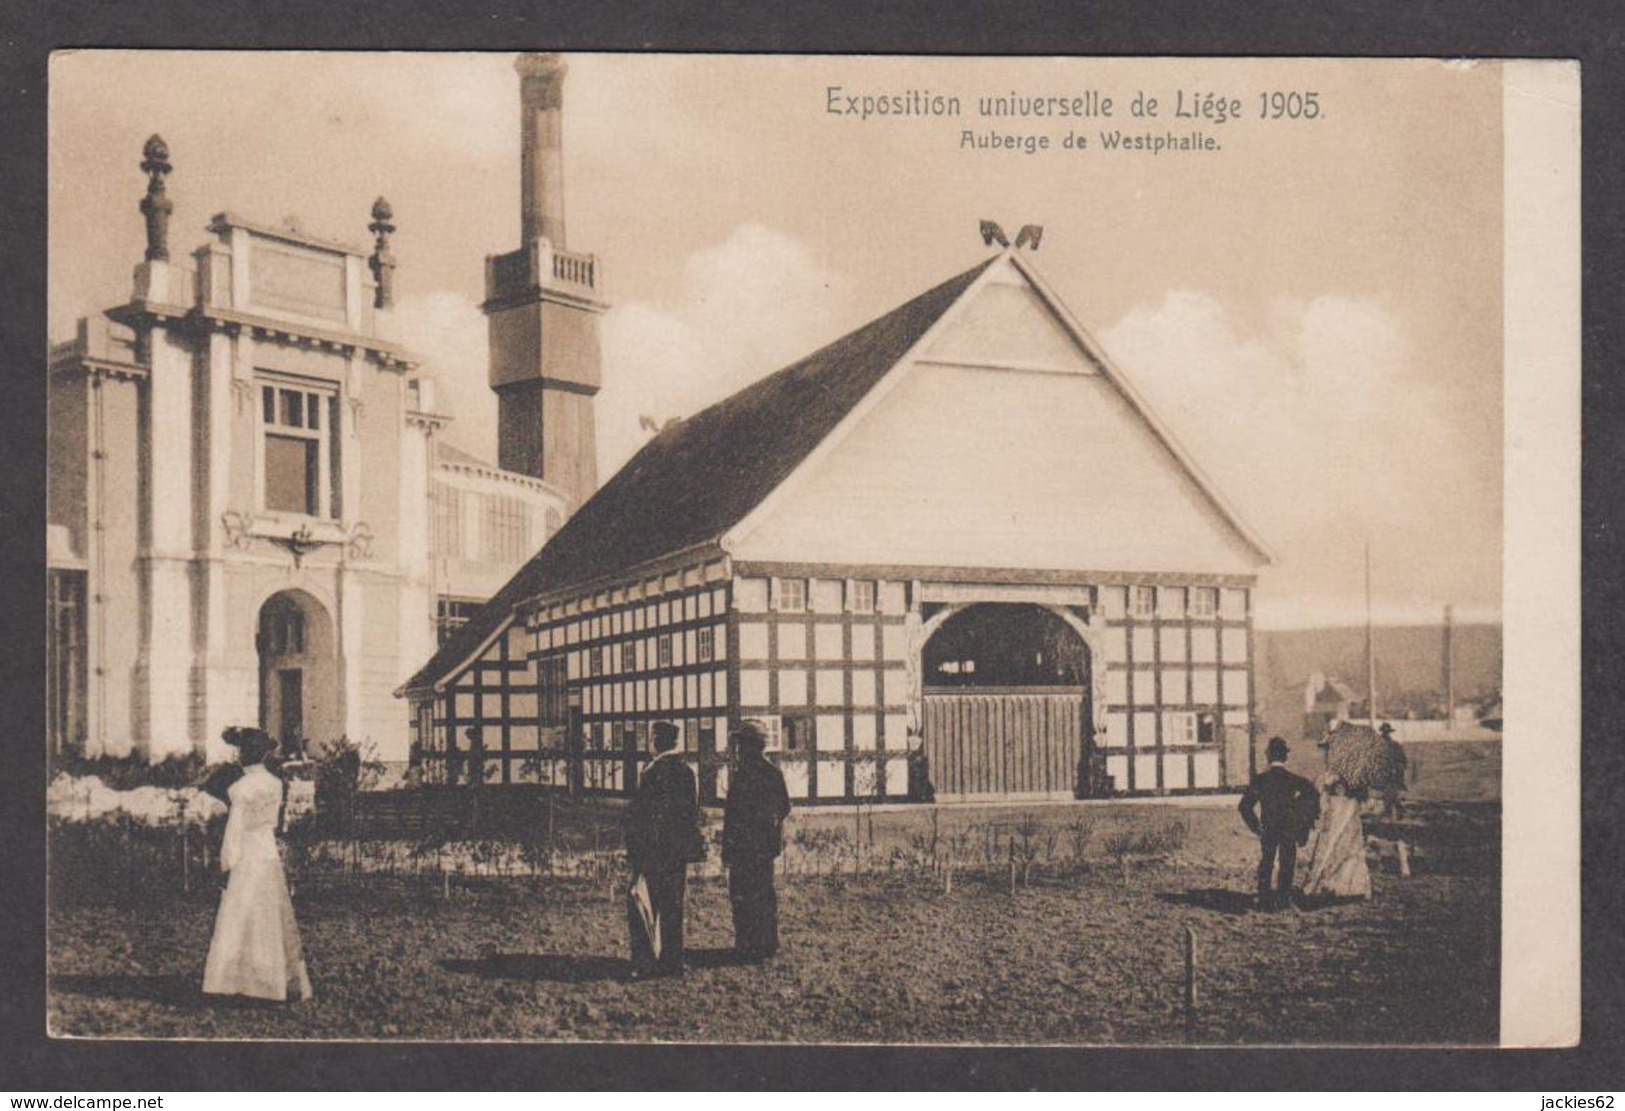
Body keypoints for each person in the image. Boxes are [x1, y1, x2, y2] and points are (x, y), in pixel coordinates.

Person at [202, 726, 314, 1002]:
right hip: (267, 851)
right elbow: (274, 823)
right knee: (270, 915)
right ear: (263, 755)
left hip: (248, 853)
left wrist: (226, 863)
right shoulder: (275, 784)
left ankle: (237, 980)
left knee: (240, 913)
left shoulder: (240, 788)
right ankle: (272, 979)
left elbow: (234, 829)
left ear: (243, 755)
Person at [623, 721, 704, 978]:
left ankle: (645, 963)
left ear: (656, 740)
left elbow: (642, 817)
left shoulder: (652, 773)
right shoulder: (687, 772)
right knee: (673, 907)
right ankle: (672, 962)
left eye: (651, 738)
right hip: (676, 853)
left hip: (652, 852)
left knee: (643, 905)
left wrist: (636, 850)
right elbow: (690, 815)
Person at [722, 718, 791, 962]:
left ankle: (747, 945)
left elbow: (733, 815)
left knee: (743, 895)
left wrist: (728, 849)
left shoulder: (743, 775)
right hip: (763, 848)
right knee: (763, 894)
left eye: (741, 744)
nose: (738, 749)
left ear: (751, 746)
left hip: (744, 847)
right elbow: (785, 807)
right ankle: (766, 944)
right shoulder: (773, 773)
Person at [1238, 736, 1320, 911]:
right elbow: (1314, 798)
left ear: (1268, 756)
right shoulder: (1296, 781)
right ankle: (1283, 899)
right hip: (1289, 828)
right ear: (1285, 757)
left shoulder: (1260, 780)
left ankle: (1264, 899)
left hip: (1268, 828)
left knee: (1267, 861)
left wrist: (1255, 827)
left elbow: (1244, 806)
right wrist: (1302, 820)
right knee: (1287, 862)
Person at [1299, 773, 1373, 901]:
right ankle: (1346, 887)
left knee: (1349, 855)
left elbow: (1363, 807)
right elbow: (1324, 806)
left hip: (1348, 826)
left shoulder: (1352, 787)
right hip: (1341, 823)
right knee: (1341, 854)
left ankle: (1352, 888)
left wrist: (1327, 788)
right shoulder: (1349, 784)